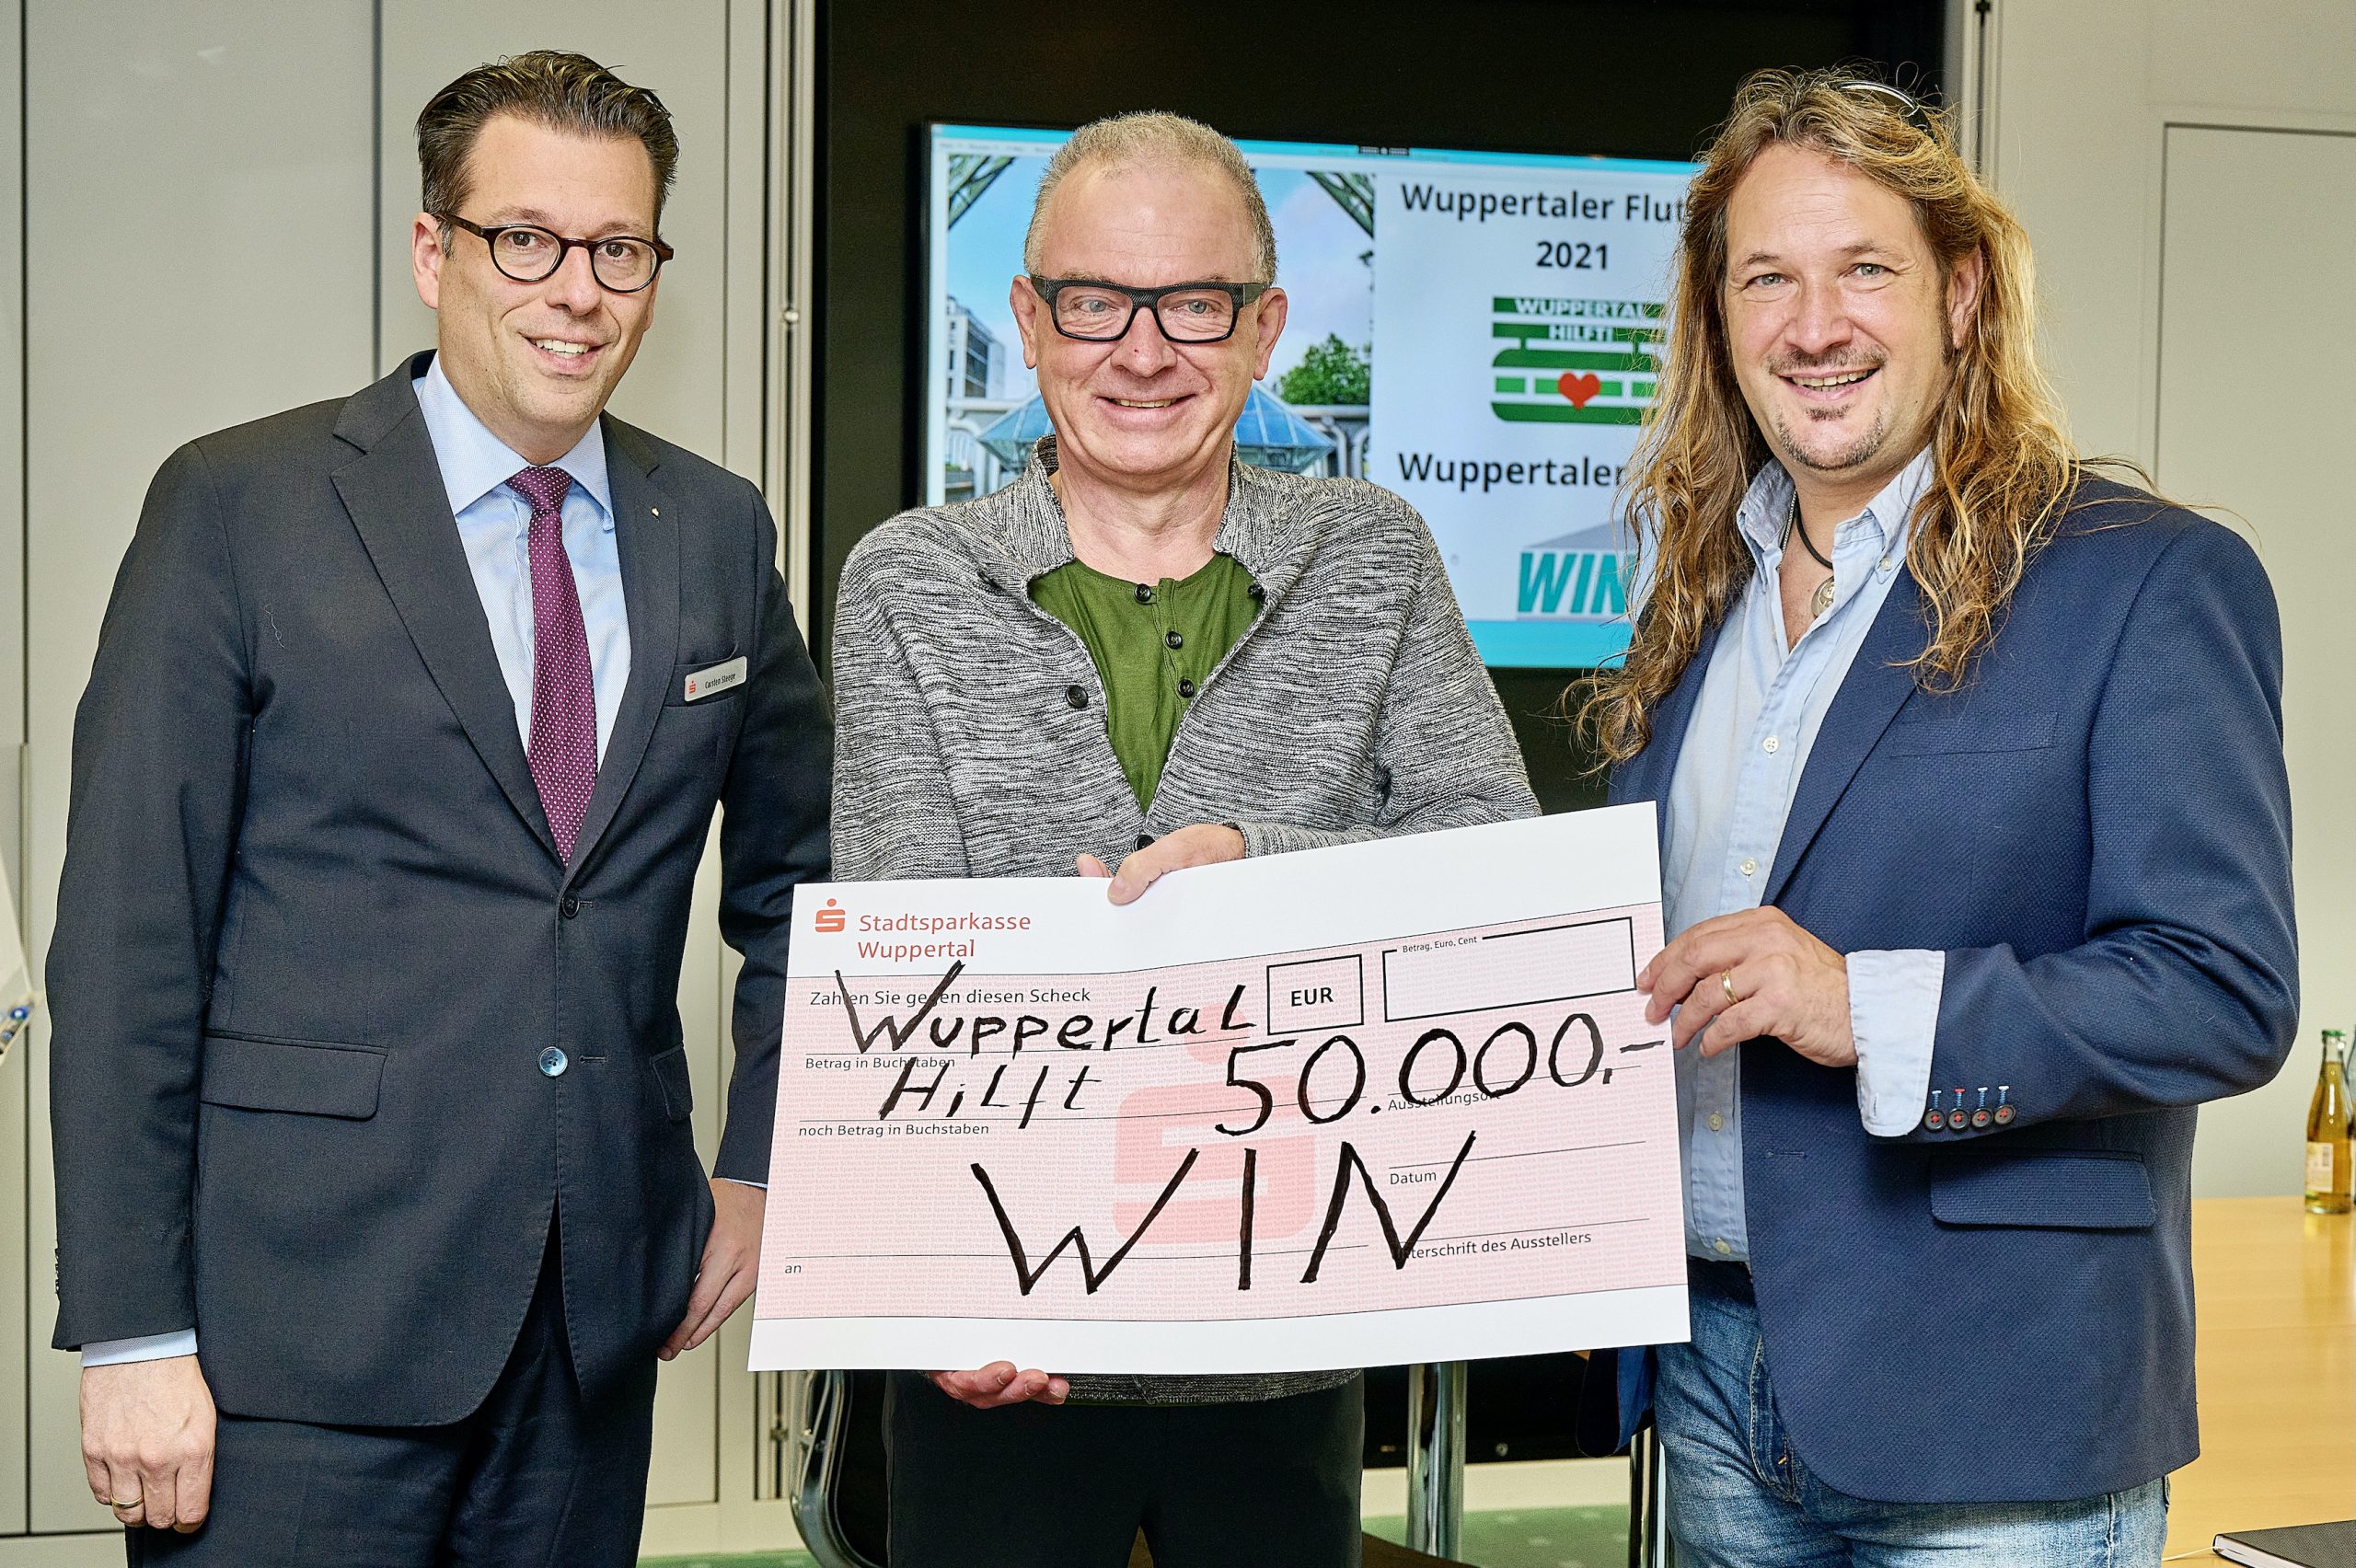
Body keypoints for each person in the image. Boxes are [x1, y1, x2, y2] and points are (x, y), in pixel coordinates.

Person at [48, 50, 830, 1565]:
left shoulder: (716, 530)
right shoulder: (238, 507)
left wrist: (759, 1163)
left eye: (619, 249)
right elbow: (132, 935)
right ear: (433, 251)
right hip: (293, 1338)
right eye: (524, 239)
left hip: (596, 1323)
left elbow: (804, 890)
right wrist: (132, 1327)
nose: (576, 292)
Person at [1582, 68, 2298, 1564]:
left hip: (2000, 1411)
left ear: (1961, 295)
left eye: (1865, 271)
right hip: (1711, 1387)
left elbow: (2222, 990)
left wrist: (1865, 1006)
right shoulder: (1693, 604)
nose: (1814, 325)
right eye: (1767, 278)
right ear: (1718, 316)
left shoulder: (2143, 581)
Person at [831, 110, 1537, 1568]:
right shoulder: (910, 579)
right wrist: (933, 1290)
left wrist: (1256, 869)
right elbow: (896, 960)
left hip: (1285, 1328)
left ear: (1264, 327)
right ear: (1029, 319)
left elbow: (1496, 860)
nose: (1142, 352)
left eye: (1195, 304)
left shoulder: (1374, 553)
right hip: (1003, 1343)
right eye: (1095, 301)